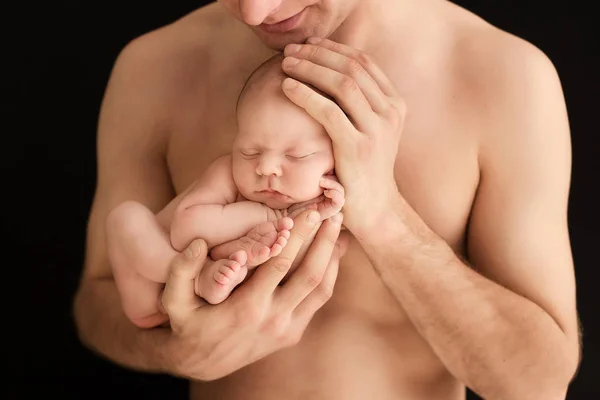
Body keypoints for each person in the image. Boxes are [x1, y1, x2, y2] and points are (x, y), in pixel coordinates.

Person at [73, 0, 582, 399]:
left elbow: (537, 385)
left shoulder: (503, 76)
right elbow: (96, 306)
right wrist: (176, 353)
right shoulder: (155, 66)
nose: (256, 11)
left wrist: (386, 220)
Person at [105, 54, 344, 328]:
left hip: (218, 298)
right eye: (249, 151)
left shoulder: (314, 200)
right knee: (125, 216)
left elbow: (279, 267)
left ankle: (202, 281)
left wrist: (320, 211)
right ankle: (194, 278)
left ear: (335, 160)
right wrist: (265, 216)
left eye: (297, 156)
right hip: (149, 282)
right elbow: (185, 229)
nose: (265, 167)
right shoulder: (227, 174)